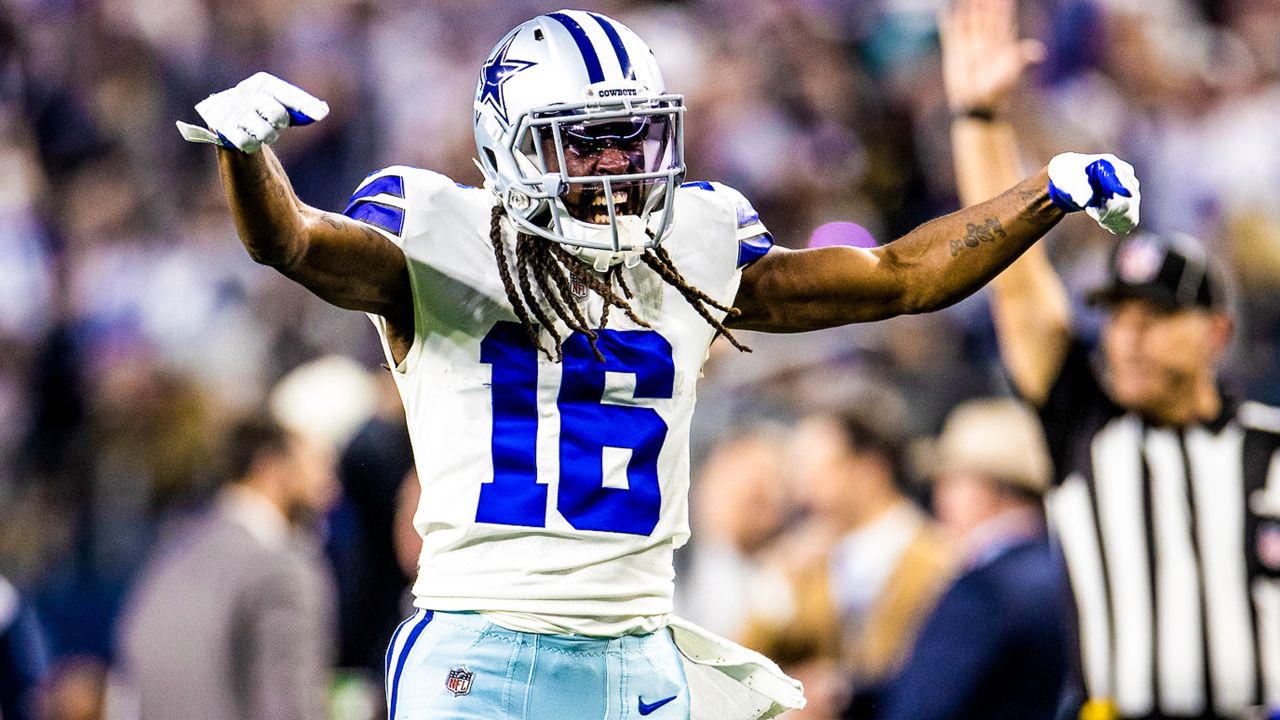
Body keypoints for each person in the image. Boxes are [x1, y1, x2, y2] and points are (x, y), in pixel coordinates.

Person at [177, 9, 1139, 719]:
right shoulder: (441, 236)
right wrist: (247, 160)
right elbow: (295, 244)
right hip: (482, 652)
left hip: (639, 657)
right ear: (508, 150)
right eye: (585, 144)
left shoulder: (696, 241)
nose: (619, 165)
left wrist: (1041, 194)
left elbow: (896, 278)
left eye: (631, 135)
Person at [941, 1, 1280, 718]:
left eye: (1156, 318)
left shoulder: (1271, 450)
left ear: (1216, 334)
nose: (1126, 338)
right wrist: (979, 122)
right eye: (1117, 318)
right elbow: (1021, 291)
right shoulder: (1086, 428)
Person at [113, 417, 339, 720]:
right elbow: (291, 703)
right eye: (318, 466)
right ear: (272, 467)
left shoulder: (171, 552)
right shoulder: (281, 568)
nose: (332, 489)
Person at [738, 401, 953, 718]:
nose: (802, 486)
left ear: (870, 470)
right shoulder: (802, 563)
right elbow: (742, 663)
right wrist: (776, 584)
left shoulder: (939, 560)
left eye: (818, 467)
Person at [881, 398, 1070, 720]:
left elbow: (920, 708)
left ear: (989, 490)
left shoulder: (982, 592)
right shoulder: (1064, 570)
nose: (938, 498)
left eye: (950, 481)